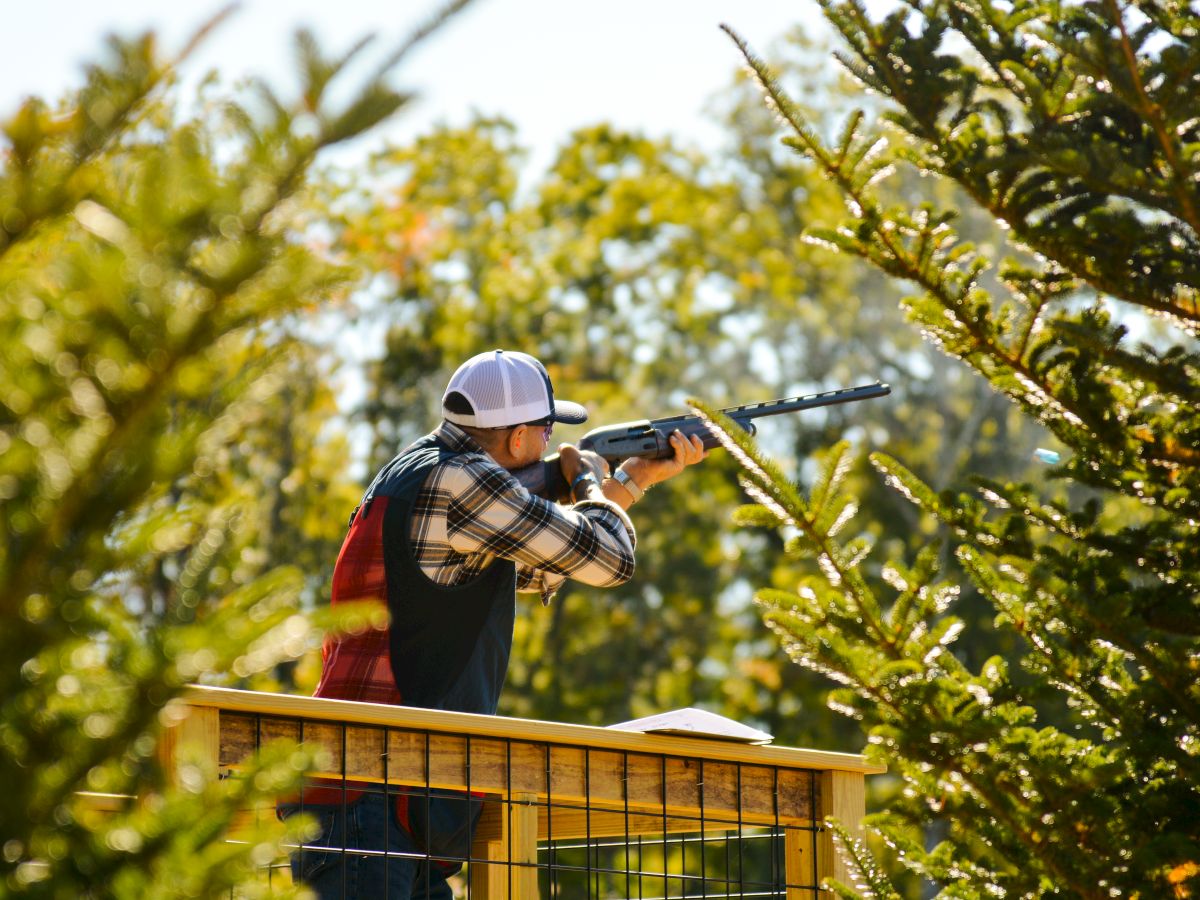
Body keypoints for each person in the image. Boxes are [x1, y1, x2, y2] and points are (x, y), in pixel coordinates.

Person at [280, 349, 706, 898]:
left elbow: (540, 564)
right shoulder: (462, 480)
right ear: (519, 439)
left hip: (394, 796)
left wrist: (632, 478)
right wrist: (588, 484)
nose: (553, 441)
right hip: (372, 793)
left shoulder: (420, 468)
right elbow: (611, 561)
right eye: (548, 429)